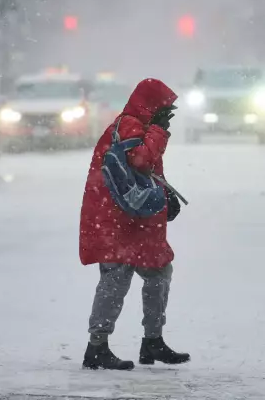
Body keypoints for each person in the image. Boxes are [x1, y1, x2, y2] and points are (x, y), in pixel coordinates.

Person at [79, 78, 190, 371]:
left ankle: (152, 341)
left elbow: (148, 169)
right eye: (164, 108)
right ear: (150, 105)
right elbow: (141, 160)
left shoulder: (136, 126)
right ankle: (97, 347)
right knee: (116, 278)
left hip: (136, 217)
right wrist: (159, 130)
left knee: (159, 271)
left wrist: (165, 195)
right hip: (119, 218)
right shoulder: (129, 125)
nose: (167, 114)